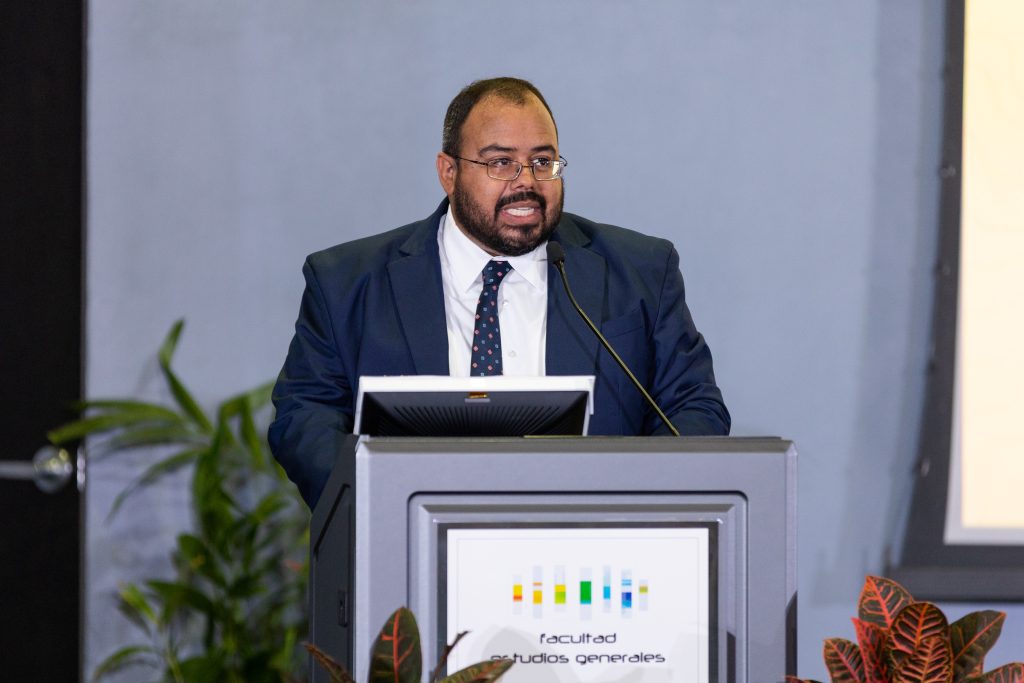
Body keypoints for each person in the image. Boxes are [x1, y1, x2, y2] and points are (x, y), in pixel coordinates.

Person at [270, 77, 730, 507]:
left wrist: (628, 513)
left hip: (588, 550)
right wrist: (379, 506)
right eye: (500, 162)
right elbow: (304, 417)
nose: (526, 181)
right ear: (448, 172)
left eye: (542, 161)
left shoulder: (640, 270)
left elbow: (692, 408)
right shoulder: (347, 281)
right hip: (408, 554)